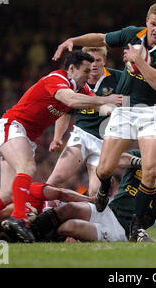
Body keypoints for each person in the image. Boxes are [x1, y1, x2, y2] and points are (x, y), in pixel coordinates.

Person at [0, 50, 123, 243]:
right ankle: (19, 219)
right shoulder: (57, 79)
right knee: (27, 168)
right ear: (71, 69)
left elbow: (99, 107)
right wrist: (105, 99)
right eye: (86, 71)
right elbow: (71, 101)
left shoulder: (81, 90)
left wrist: (128, 105)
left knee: (7, 195)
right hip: (12, 126)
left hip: (24, 137)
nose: (89, 76)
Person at [52, 3, 156, 241]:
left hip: (151, 112)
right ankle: (104, 187)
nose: (155, 29)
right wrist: (74, 39)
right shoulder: (133, 33)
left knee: (151, 170)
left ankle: (137, 228)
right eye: (152, 24)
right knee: (103, 170)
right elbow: (101, 37)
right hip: (124, 113)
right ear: (147, 21)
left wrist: (138, 60)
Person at [30, 129, 156, 243]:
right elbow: (117, 160)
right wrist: (142, 163)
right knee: (68, 209)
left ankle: (42, 239)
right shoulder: (140, 156)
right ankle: (28, 232)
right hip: (108, 210)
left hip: (122, 229)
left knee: (71, 226)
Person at [46, 47, 122, 197]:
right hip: (82, 135)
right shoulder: (76, 81)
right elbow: (65, 111)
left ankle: (87, 217)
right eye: (91, 61)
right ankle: (40, 212)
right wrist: (57, 137)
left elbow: (125, 103)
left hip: (105, 141)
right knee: (56, 179)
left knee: (95, 192)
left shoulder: (119, 78)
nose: (94, 65)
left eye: (98, 60)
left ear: (104, 61)